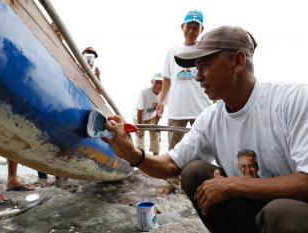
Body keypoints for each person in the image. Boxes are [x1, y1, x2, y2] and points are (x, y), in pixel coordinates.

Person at [101, 25, 308, 233]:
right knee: (195, 172)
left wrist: (231, 184)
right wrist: (133, 154)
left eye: (204, 65)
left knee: (280, 213)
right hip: (254, 212)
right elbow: (171, 163)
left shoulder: (293, 100)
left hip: (295, 213)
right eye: (196, 68)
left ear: (238, 61)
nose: (198, 76)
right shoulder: (212, 118)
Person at [157, 10, 211, 150]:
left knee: (204, 146)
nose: (191, 31)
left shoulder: (205, 50)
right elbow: (167, 79)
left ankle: (199, 172)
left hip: (201, 108)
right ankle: (172, 173)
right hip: (177, 109)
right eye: (189, 26)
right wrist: (161, 102)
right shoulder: (172, 51)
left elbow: (213, 77)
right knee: (173, 147)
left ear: (202, 29)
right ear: (182, 27)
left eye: (195, 27)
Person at [133, 73, 163, 155]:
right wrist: (139, 128)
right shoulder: (144, 92)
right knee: (140, 138)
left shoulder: (163, 94)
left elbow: (160, 111)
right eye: (157, 82)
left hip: (151, 117)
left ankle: (156, 158)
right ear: (152, 82)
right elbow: (140, 110)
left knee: (155, 134)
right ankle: (140, 158)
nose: (159, 85)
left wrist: (155, 125)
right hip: (139, 117)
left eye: (161, 83)